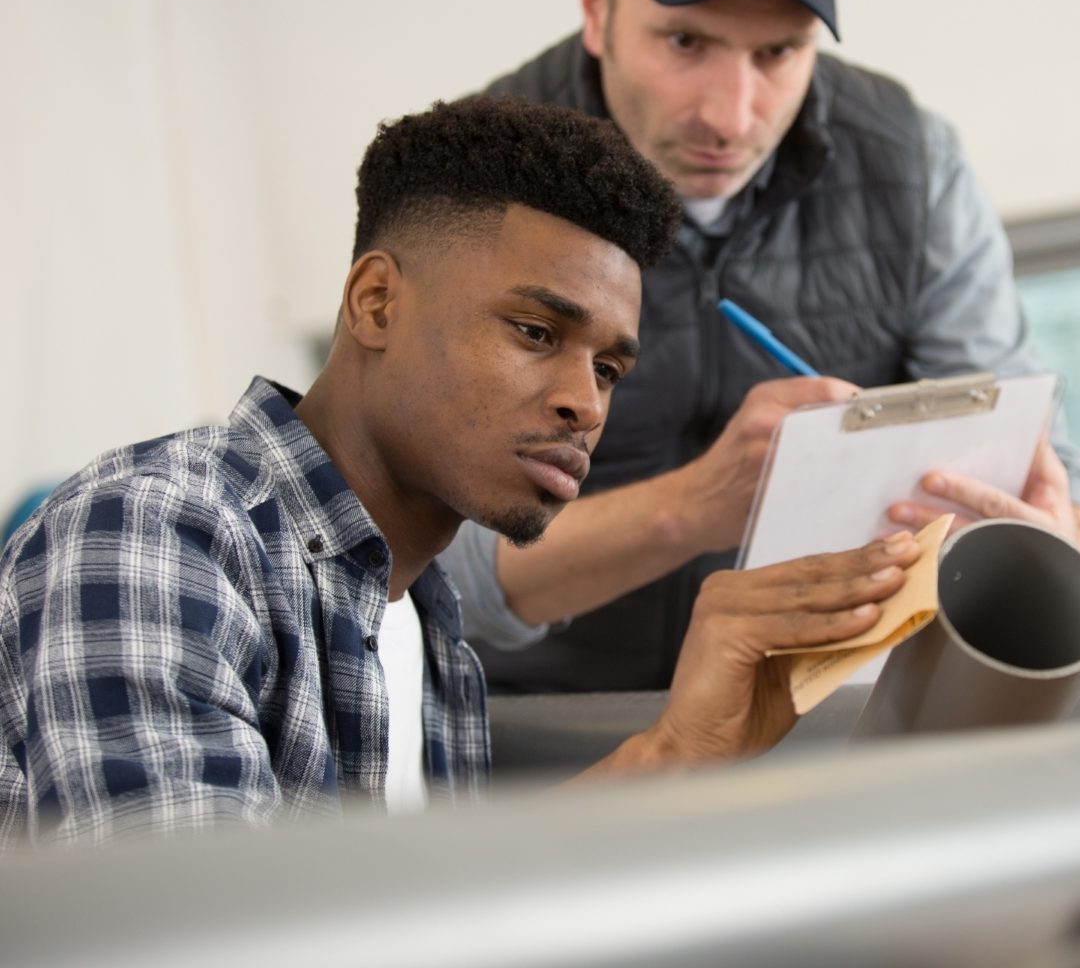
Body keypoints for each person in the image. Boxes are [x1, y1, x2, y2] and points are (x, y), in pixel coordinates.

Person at [0, 98, 923, 847]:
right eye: (535, 333)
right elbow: (205, 946)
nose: (586, 405)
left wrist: (682, 748)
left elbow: (431, 924)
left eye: (608, 368)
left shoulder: (423, 618)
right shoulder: (157, 536)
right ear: (375, 302)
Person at [442, 0, 1080, 695]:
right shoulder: (471, 179)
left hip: (825, 723)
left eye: (778, 54)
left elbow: (1062, 479)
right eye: (685, 40)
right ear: (597, 5)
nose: (730, 117)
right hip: (542, 736)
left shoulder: (915, 164)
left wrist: (1062, 535)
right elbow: (432, 569)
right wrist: (690, 508)